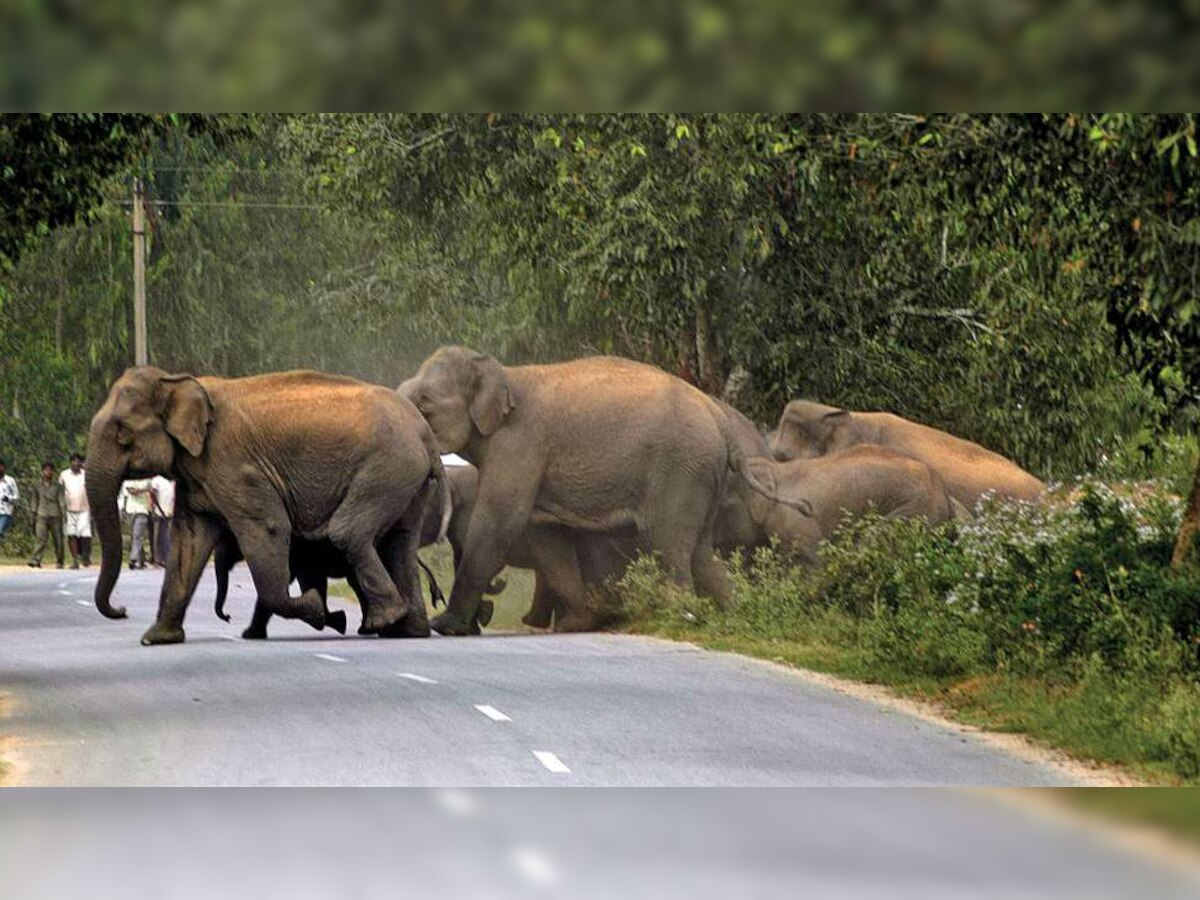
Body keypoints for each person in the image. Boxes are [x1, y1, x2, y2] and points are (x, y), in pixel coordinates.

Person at [28, 462, 65, 568]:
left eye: (50, 470)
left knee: (58, 539)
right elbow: (34, 501)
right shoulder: (37, 486)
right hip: (42, 514)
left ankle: (60, 561)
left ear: (53, 472)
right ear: (42, 471)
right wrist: (33, 515)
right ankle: (36, 560)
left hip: (55, 514)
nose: (48, 472)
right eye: (46, 470)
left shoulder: (58, 486)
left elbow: (61, 499)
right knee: (41, 539)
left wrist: (63, 512)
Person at [60, 453, 91, 569]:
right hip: (69, 509)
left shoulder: (86, 474)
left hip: (84, 508)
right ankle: (75, 560)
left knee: (84, 535)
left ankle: (85, 556)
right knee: (71, 534)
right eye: (73, 461)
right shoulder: (64, 475)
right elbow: (60, 490)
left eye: (78, 462)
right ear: (70, 463)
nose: (75, 464)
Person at [121, 477, 153, 569]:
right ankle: (141, 559)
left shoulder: (146, 479)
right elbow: (131, 491)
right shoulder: (129, 479)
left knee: (137, 535)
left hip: (142, 510)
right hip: (130, 510)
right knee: (134, 536)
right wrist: (144, 490)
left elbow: (148, 490)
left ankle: (133, 559)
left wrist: (141, 490)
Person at [150, 475, 174, 567]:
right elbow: (152, 494)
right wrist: (159, 509)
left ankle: (167, 558)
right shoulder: (157, 480)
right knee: (158, 536)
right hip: (159, 512)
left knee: (168, 536)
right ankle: (158, 559)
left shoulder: (172, 481)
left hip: (169, 512)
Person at [0, 458, 18, 544]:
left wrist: (9, 498)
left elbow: (16, 497)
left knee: (1, 530)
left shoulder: (10, 481)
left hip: (6, 511)